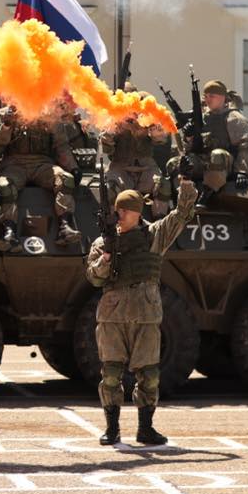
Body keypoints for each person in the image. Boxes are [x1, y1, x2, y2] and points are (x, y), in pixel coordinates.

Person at [85, 178, 198, 446]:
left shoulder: (155, 236)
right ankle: (112, 428)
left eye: (125, 210)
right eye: (118, 210)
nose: (120, 214)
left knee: (149, 375)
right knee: (111, 374)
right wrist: (107, 257)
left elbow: (181, 215)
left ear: (137, 213)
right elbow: (93, 277)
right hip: (113, 316)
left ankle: (145, 428)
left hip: (146, 314)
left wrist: (186, 187)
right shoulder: (104, 241)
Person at [0, 100, 82, 252]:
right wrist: (7, 126)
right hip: (14, 164)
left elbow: (61, 145)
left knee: (66, 180)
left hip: (43, 164)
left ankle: (65, 227)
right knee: (5, 187)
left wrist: (73, 168)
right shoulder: (4, 114)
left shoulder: (50, 114)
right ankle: (9, 232)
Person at [170, 79, 248, 208]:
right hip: (204, 161)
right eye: (206, 96)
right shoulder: (202, 117)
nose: (208, 100)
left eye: (212, 96)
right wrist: (189, 137)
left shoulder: (233, 118)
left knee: (217, 154)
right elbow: (188, 150)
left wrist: (242, 171)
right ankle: (181, 198)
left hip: (225, 164)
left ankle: (207, 193)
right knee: (177, 163)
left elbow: (244, 145)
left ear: (222, 97)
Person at [101, 98, 170, 218]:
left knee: (163, 184)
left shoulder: (148, 119)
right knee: (110, 187)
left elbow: (161, 139)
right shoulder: (115, 121)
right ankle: (115, 219)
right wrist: (109, 137)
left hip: (146, 169)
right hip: (121, 168)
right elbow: (107, 150)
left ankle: (159, 220)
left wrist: (157, 133)